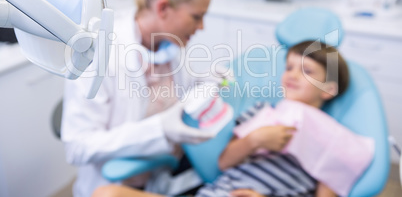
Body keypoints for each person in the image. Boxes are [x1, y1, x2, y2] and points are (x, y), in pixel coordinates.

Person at [91, 40, 375, 197]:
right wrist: (254, 140)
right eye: (288, 67)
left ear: (329, 89)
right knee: (106, 194)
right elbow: (224, 163)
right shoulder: (263, 113)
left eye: (307, 71)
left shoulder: (333, 138)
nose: (291, 74)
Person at [61, 0, 219, 197]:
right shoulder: (100, 53)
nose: (201, 26)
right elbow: (77, 146)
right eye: (196, 16)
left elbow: (180, 91)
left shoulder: (171, 44)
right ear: (163, 8)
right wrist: (159, 129)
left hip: (162, 176)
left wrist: (209, 80)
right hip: (117, 187)